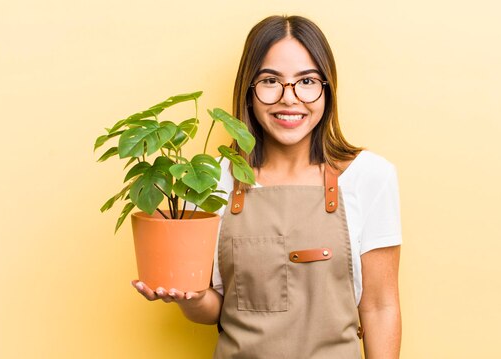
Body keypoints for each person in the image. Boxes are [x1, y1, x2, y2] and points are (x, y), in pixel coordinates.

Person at [132, 15, 402, 358]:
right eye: (270, 80)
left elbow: (380, 307)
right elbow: (218, 309)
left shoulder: (370, 177)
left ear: (327, 89)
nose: (289, 98)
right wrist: (193, 298)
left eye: (306, 81)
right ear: (248, 90)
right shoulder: (213, 180)